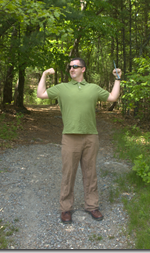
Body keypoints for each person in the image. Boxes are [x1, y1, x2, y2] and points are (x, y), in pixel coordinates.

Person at [36, 57, 121, 224]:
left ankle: (92, 206)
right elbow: (40, 94)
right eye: (70, 67)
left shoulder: (93, 88)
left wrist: (118, 79)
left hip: (91, 137)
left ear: (83, 69)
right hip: (70, 137)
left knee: (90, 173)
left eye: (75, 66)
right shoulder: (62, 88)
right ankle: (66, 209)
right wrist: (44, 75)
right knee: (68, 174)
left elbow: (112, 98)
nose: (71, 69)